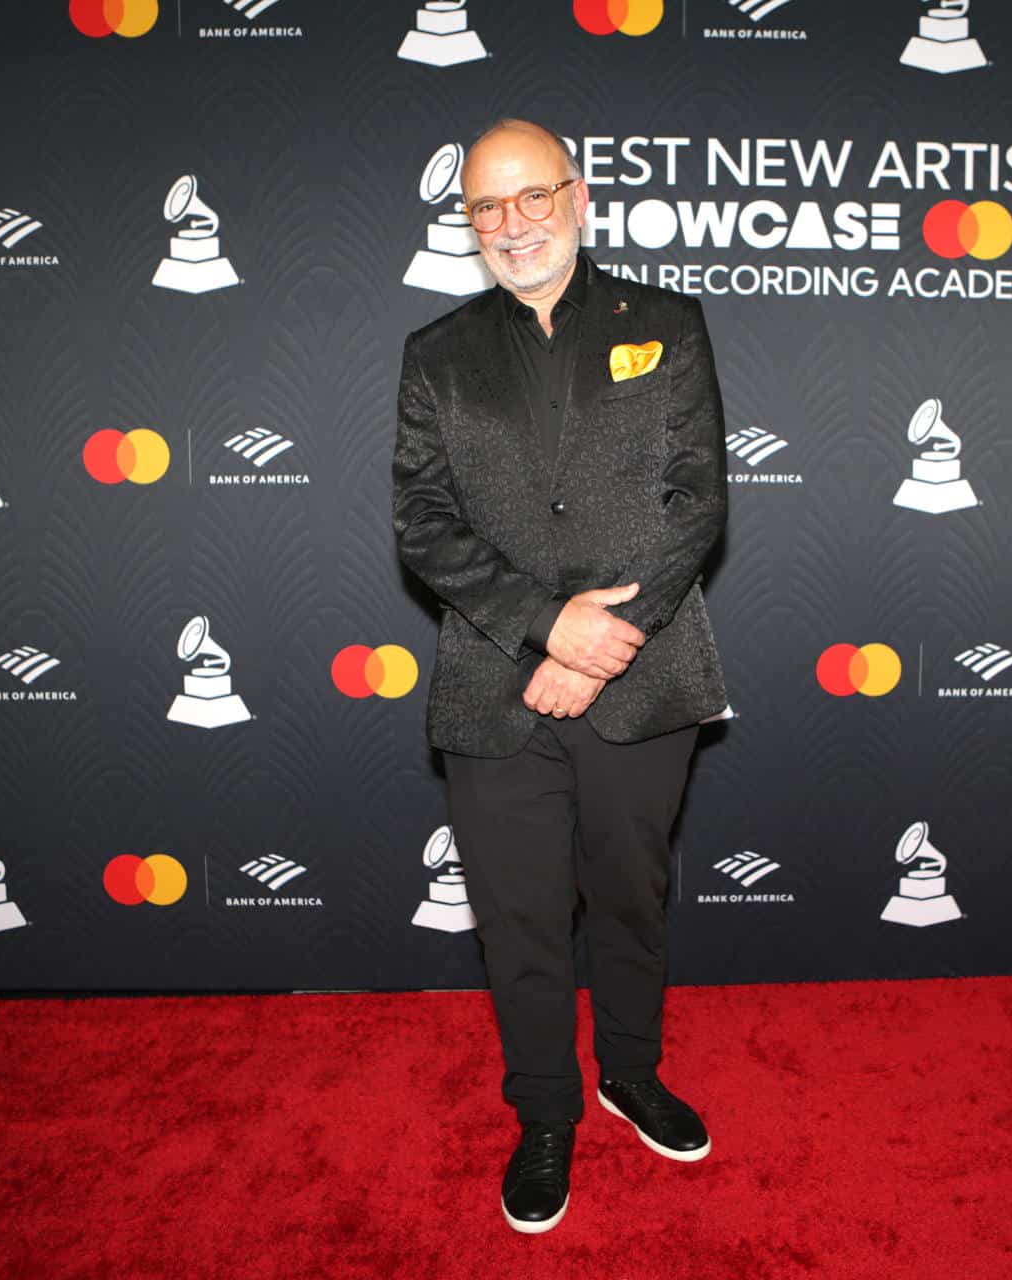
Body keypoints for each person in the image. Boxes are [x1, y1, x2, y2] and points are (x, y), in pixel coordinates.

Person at [391, 117, 730, 1234]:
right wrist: (547, 631)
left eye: (532, 197)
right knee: (521, 918)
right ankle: (544, 1112)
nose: (512, 224)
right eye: (487, 207)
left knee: (632, 898)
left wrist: (601, 647)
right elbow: (425, 528)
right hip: (495, 685)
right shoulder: (436, 355)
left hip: (644, 679)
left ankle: (629, 1070)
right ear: (469, 223)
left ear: (577, 198)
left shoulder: (668, 324)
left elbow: (697, 506)